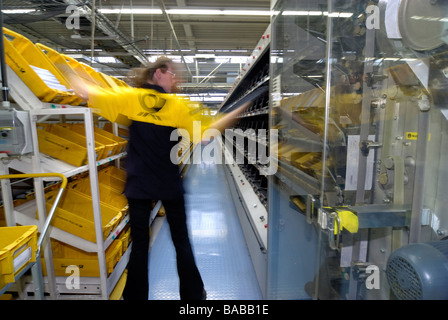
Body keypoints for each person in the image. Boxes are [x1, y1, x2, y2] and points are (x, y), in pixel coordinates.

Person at [66, 56, 251, 300]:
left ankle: (135, 296)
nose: (176, 79)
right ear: (158, 73)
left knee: (140, 244)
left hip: (138, 183)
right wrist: (242, 107)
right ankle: (193, 296)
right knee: (181, 241)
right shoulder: (177, 106)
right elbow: (207, 134)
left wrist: (66, 69)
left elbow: (85, 93)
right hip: (168, 183)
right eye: (172, 73)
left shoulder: (130, 97)